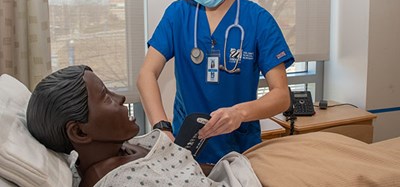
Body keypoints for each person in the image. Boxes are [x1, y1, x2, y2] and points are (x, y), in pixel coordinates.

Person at [137, 0, 294, 164]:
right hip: (187, 150)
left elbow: (281, 96)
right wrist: (162, 127)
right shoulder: (178, 15)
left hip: (242, 151)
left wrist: (239, 113)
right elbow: (146, 73)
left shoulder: (259, 21)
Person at [26, 65, 261, 187]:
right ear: (79, 131)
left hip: (234, 169)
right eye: (106, 97)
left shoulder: (121, 148)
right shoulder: (118, 181)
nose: (120, 98)